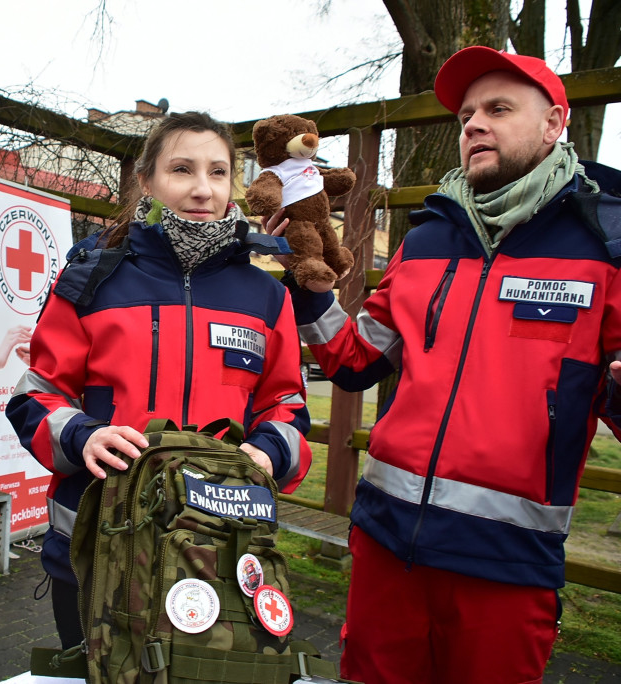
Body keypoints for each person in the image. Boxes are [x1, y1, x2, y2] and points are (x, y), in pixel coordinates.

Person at [269, 46, 621, 683]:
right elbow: (353, 361)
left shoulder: (606, 246)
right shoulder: (427, 238)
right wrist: (307, 282)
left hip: (507, 566)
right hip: (385, 546)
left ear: (554, 124)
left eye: (498, 109)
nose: (475, 124)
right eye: (465, 116)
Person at [7, 111, 312, 650]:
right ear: (146, 180)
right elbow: (36, 395)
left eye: (218, 172)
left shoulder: (267, 296)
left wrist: (270, 450)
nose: (202, 189)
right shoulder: (91, 281)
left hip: (220, 543)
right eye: (182, 169)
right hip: (97, 540)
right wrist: (82, 436)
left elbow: (286, 403)